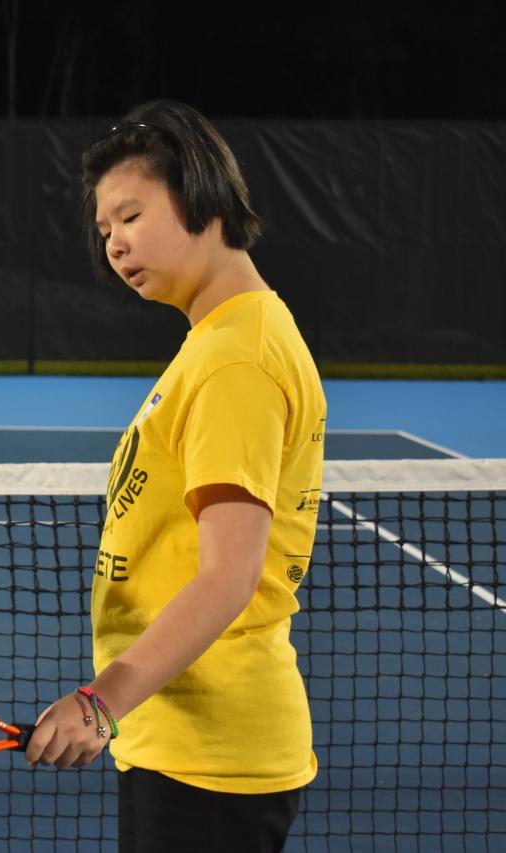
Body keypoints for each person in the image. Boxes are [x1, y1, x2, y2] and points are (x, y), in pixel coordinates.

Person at [24, 101, 325, 852]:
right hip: (178, 739)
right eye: (105, 230)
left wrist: (102, 702)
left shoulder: (235, 359)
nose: (115, 244)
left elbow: (230, 576)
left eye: (130, 215)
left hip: (211, 757)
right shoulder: (221, 341)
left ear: (201, 199)